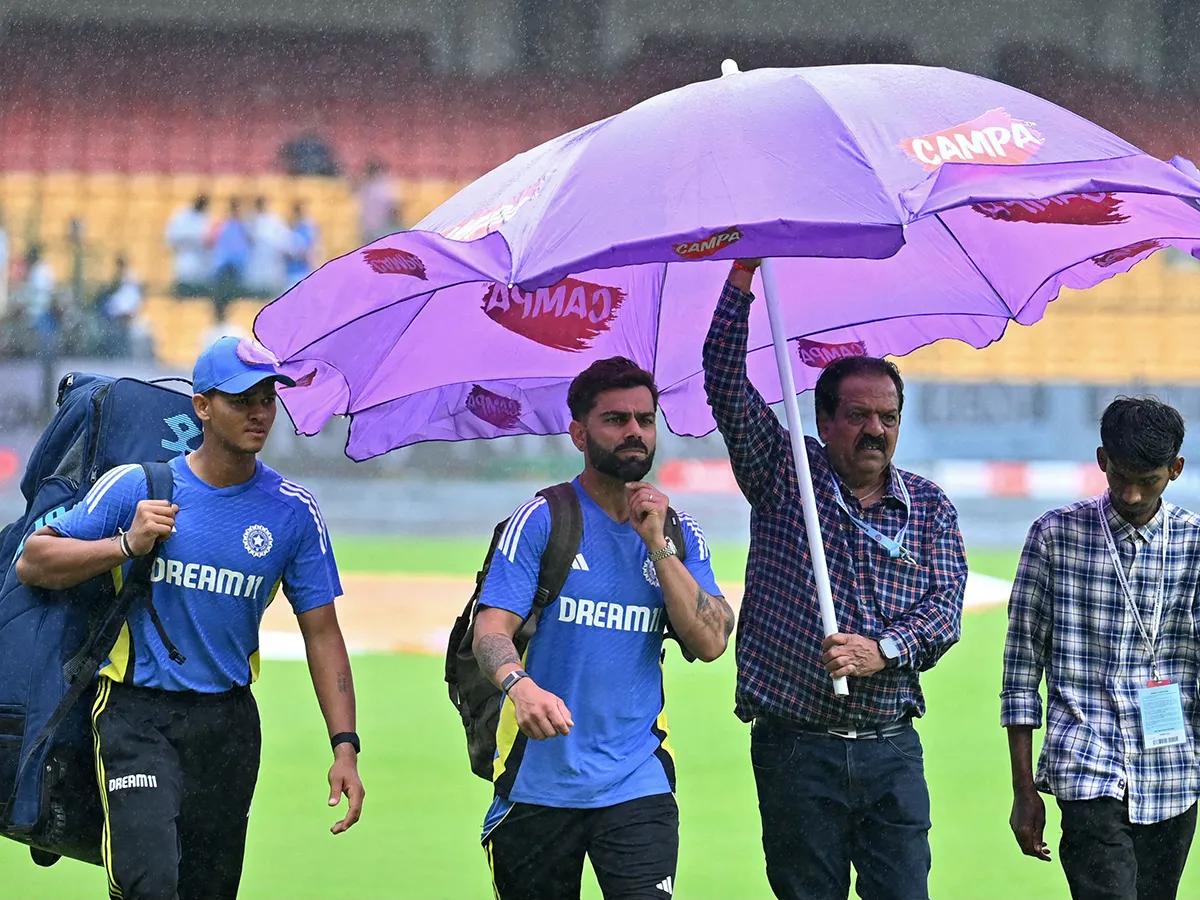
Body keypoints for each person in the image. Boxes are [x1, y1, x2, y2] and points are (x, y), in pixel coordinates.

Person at [16, 337, 365, 900]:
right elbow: (34, 560)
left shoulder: (293, 511)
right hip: (134, 712)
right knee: (149, 882)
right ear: (202, 406)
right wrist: (125, 545)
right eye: (241, 399)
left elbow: (322, 632)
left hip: (227, 724)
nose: (259, 412)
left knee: (210, 888)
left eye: (267, 398)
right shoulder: (139, 486)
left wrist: (344, 745)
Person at [701, 258, 967, 900]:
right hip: (797, 749)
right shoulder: (783, 472)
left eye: (888, 416)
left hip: (891, 746)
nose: (875, 429)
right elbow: (723, 377)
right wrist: (743, 275)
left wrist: (884, 650)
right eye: (858, 415)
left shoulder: (928, 506)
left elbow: (945, 608)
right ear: (823, 422)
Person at [474, 356, 733, 900]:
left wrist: (657, 544)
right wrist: (519, 687)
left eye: (644, 418)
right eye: (616, 419)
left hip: (637, 781)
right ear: (578, 433)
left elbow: (711, 642)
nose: (634, 431)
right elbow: (491, 629)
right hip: (536, 784)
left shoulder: (677, 534)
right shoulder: (543, 519)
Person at [1002, 397, 1200, 900]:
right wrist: (1024, 790)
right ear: (1101, 460)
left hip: (1172, 770)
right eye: (1120, 476)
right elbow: (1021, 669)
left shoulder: (1195, 543)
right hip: (1085, 762)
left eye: (1148, 479)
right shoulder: (1054, 536)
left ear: (1175, 469)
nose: (1131, 493)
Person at [210, 198, 250, 321]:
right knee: (223, 295)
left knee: (235, 299)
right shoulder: (222, 225)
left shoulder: (243, 226)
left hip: (237, 268)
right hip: (223, 267)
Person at [244, 196, 291, 299]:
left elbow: (284, 243)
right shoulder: (251, 222)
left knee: (272, 297)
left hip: (272, 266)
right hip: (256, 266)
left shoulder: (274, 221)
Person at [165, 195, 212, 298]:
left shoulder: (206, 218)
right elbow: (170, 238)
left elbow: (208, 242)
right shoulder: (181, 216)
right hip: (184, 265)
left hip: (201, 268)